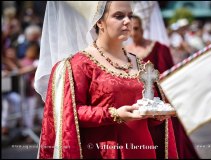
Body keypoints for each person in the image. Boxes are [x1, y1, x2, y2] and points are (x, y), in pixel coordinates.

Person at [35, 1, 178, 159]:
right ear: (99, 22)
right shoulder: (79, 65)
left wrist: (157, 116)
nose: (127, 21)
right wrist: (114, 114)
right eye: (119, 16)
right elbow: (70, 113)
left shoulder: (141, 64)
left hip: (143, 148)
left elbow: (151, 118)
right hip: (104, 151)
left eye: (130, 16)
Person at [126, 15, 199, 159]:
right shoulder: (124, 52)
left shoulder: (159, 48)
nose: (133, 33)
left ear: (142, 28)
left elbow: (170, 75)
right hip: (138, 102)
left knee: (167, 138)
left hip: (161, 102)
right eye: (130, 29)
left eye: (136, 28)